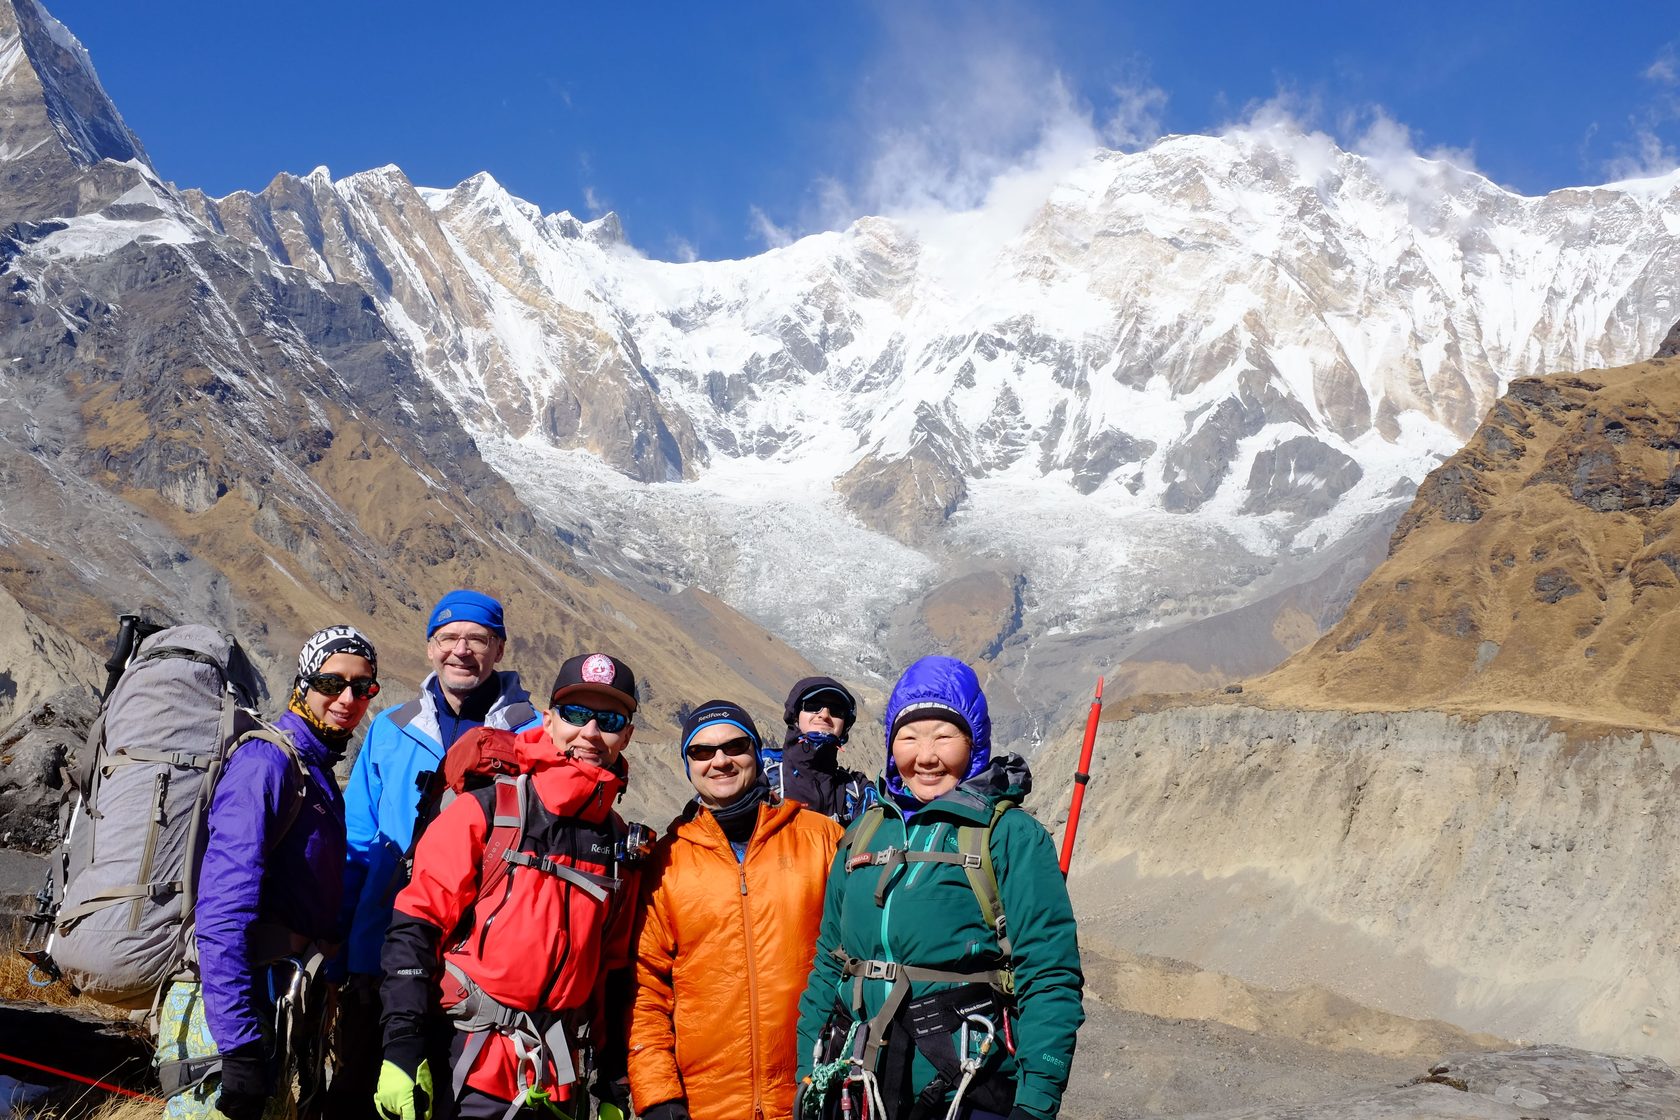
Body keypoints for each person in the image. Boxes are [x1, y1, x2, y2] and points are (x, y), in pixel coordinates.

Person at [795, 656, 1084, 1120]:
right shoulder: (865, 833)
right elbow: (829, 965)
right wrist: (807, 1079)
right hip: (856, 1089)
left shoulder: (1010, 837)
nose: (925, 756)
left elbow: (1049, 975)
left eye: (944, 736)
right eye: (908, 737)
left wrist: (1036, 1101)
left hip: (967, 1093)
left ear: (975, 743)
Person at [375, 652, 644, 1120]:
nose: (590, 733)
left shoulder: (619, 843)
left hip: (560, 1078)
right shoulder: (485, 811)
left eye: (609, 719)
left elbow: (614, 974)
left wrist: (613, 1081)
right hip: (466, 1063)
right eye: (577, 714)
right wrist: (401, 1047)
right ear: (549, 719)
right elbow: (415, 929)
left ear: (628, 735)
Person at [156, 625, 380, 1120]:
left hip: (275, 1002)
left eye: (363, 687)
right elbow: (223, 908)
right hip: (229, 1009)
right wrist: (238, 1046)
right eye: (331, 683)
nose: (348, 698)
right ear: (303, 683)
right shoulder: (267, 764)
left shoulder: (313, 769)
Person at [337, 590, 541, 1115]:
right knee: (366, 1094)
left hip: (481, 965)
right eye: (449, 638)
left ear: (498, 648)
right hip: (386, 948)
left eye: (477, 638)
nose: (462, 650)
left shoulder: (533, 735)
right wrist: (349, 954)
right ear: (430, 647)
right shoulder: (391, 729)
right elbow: (358, 845)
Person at [628, 700, 843, 1120]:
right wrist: (657, 1094)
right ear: (687, 764)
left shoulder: (823, 839)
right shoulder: (667, 860)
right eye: (702, 751)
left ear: (757, 753)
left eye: (735, 746)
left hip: (811, 1095)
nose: (720, 761)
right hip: (703, 1104)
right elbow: (646, 986)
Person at [763, 676, 869, 824]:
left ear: (845, 726)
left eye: (836, 710)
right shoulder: (761, 777)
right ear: (795, 715)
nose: (824, 715)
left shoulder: (859, 791)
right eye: (812, 706)